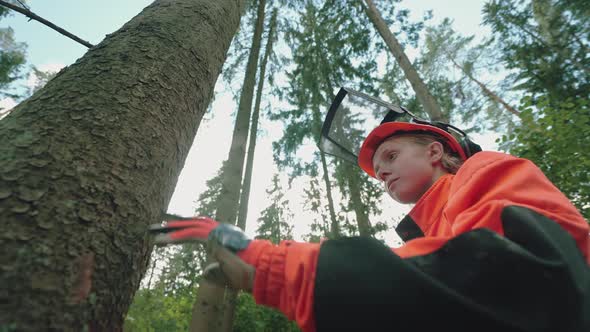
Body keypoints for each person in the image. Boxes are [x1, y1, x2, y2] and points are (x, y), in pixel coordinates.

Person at [150, 101, 590, 332]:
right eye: (379, 167)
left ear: (435, 151)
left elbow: (526, 276)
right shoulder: (434, 230)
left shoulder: (488, 170)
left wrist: (274, 268)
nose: (380, 171)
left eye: (392, 155)